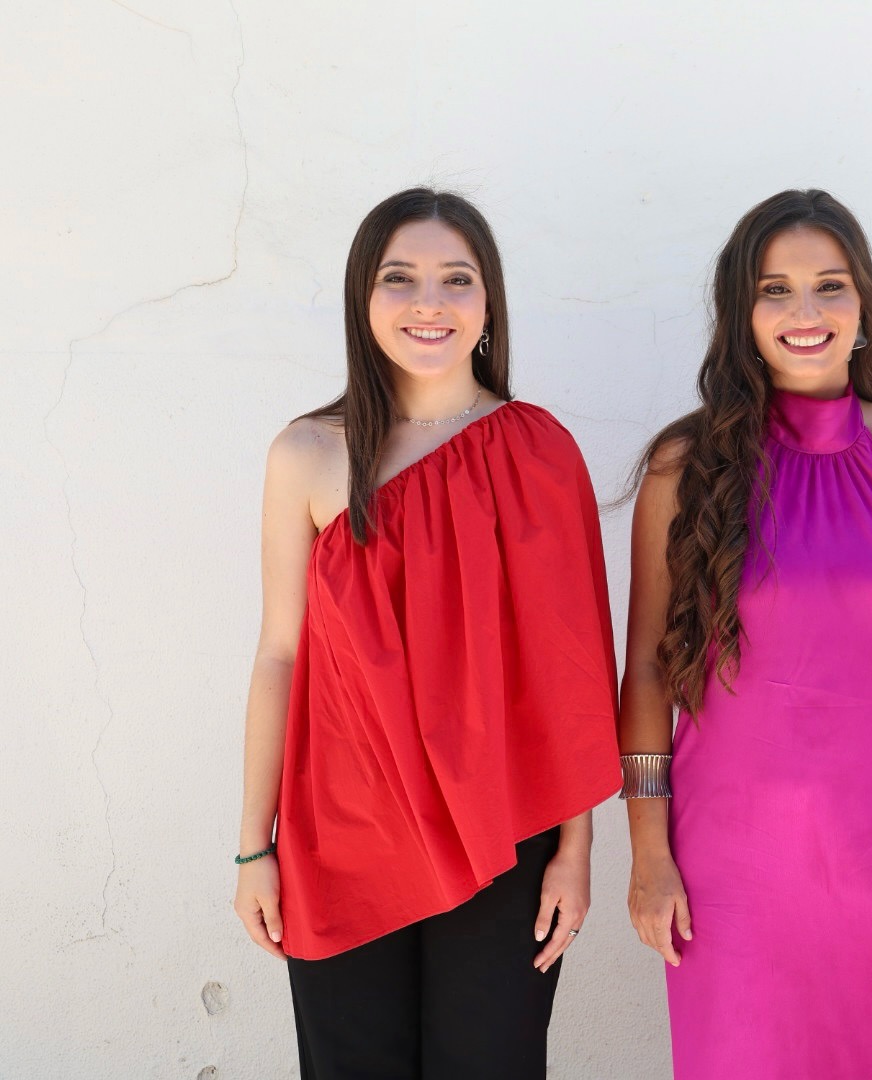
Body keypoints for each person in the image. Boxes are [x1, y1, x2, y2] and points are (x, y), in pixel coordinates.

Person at [231, 188, 621, 1078]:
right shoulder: (307, 453)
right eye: (399, 278)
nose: (429, 302)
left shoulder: (540, 450)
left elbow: (570, 669)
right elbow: (280, 652)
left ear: (489, 302)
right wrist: (256, 845)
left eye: (457, 278)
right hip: (342, 832)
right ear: (363, 298)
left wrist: (576, 848)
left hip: (504, 828)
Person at [618, 189, 872, 1079]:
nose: (805, 312)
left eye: (830, 286)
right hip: (730, 872)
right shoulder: (683, 467)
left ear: (864, 304)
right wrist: (648, 853)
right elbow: (648, 675)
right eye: (775, 290)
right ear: (741, 315)